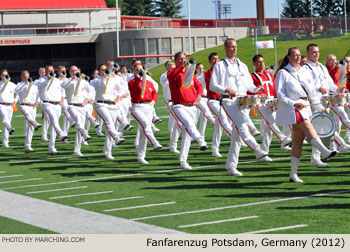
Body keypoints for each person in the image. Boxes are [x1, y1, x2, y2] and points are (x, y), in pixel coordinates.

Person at [275, 47, 337, 183]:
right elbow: (280, 94)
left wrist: (320, 108)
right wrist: (293, 103)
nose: (297, 57)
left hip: (305, 107)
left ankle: (293, 174)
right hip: (292, 109)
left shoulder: (304, 72)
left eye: (299, 55)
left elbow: (312, 94)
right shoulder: (283, 73)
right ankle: (325, 151)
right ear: (289, 57)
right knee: (309, 128)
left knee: (297, 141)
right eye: (294, 55)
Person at [210, 38, 269, 177]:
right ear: (225, 48)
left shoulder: (242, 65)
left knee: (237, 136)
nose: (234, 49)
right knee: (242, 125)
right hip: (228, 101)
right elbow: (213, 85)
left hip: (243, 101)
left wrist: (256, 88)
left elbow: (249, 84)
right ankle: (257, 149)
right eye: (231, 47)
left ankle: (231, 166)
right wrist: (226, 89)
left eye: (235, 46)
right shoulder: (220, 65)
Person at [302, 44, 350, 168]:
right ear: (308, 53)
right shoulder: (305, 68)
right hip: (315, 100)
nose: (316, 54)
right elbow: (306, 84)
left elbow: (329, 83)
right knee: (323, 126)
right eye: (313, 52)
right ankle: (341, 143)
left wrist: (338, 89)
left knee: (320, 128)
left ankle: (316, 158)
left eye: (317, 52)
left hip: (325, 99)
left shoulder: (322, 67)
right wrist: (319, 88)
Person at [168, 52, 208, 170]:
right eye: (180, 59)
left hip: (192, 106)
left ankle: (183, 161)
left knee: (187, 134)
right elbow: (172, 75)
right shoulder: (172, 73)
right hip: (179, 106)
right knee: (189, 124)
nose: (183, 61)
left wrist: (198, 97)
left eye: (184, 59)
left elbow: (199, 86)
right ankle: (201, 140)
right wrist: (181, 67)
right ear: (175, 61)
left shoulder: (189, 73)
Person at [251, 54, 292, 160]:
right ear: (254, 63)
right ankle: (283, 138)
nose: (261, 64)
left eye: (263, 61)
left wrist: (276, 100)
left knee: (268, 129)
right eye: (259, 62)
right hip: (261, 102)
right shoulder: (253, 76)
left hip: (272, 102)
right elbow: (250, 90)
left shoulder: (269, 75)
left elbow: (274, 88)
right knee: (271, 121)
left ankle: (264, 152)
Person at [129, 63, 163, 164]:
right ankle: (154, 142)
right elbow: (134, 90)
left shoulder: (149, 82)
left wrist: (153, 102)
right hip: (137, 106)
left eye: (141, 69)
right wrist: (141, 80)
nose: (139, 71)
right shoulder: (132, 82)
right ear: (134, 72)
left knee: (144, 132)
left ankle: (141, 157)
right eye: (137, 70)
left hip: (148, 106)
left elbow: (154, 94)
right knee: (146, 124)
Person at [90, 64, 125, 160]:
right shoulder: (95, 81)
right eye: (102, 70)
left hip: (112, 104)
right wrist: (105, 77)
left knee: (110, 128)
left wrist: (118, 98)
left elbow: (121, 90)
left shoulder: (113, 80)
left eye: (105, 70)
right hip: (101, 104)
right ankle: (116, 137)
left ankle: (107, 151)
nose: (104, 71)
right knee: (108, 122)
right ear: (98, 71)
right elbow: (100, 88)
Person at [61, 66, 94, 157]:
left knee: (79, 128)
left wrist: (87, 99)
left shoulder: (83, 82)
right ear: (69, 72)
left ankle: (77, 150)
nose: (74, 72)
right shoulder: (67, 81)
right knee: (78, 121)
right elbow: (63, 85)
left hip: (82, 106)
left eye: (76, 70)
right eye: (72, 71)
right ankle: (85, 133)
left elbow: (91, 90)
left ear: (79, 71)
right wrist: (72, 78)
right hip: (71, 106)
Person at [205, 52, 233, 158]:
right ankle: (234, 135)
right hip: (213, 100)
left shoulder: (222, 72)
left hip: (222, 100)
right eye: (213, 59)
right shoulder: (208, 73)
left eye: (217, 59)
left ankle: (214, 149)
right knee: (222, 118)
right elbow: (213, 85)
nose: (216, 61)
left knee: (218, 126)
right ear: (209, 61)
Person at [37, 65, 67, 154]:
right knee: (53, 120)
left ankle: (51, 147)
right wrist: (49, 79)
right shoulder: (42, 81)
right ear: (45, 72)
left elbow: (63, 91)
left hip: (57, 104)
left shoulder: (58, 81)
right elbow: (40, 88)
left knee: (54, 125)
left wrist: (61, 100)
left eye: (52, 70)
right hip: (47, 103)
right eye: (48, 71)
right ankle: (61, 133)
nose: (50, 72)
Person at [15, 71, 41, 151]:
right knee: (28, 117)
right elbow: (16, 91)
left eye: (27, 76)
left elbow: (38, 96)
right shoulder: (19, 85)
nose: (26, 78)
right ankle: (35, 123)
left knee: (31, 127)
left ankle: (28, 144)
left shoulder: (34, 86)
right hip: (23, 105)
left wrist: (37, 101)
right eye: (24, 77)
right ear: (21, 77)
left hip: (32, 106)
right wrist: (25, 83)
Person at [160, 60, 180, 153]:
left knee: (174, 122)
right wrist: (170, 72)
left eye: (172, 66)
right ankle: (173, 145)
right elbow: (164, 82)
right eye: (169, 66)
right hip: (169, 101)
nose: (171, 67)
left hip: (177, 101)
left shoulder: (177, 74)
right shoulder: (164, 75)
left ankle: (173, 144)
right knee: (175, 122)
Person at [195, 63, 215, 140]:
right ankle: (193, 134)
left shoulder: (204, 76)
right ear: (196, 69)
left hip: (205, 98)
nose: (201, 70)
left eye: (202, 68)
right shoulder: (195, 77)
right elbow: (202, 84)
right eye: (199, 68)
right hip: (198, 98)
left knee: (204, 119)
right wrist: (205, 75)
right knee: (195, 117)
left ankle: (201, 135)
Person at [0, 69, 17, 148]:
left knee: (7, 122)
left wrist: (15, 101)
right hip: (1, 104)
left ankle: (5, 142)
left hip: (10, 106)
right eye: (3, 75)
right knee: (5, 119)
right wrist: (5, 83)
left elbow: (19, 93)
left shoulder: (12, 84)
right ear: (0, 76)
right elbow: (1, 91)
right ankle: (10, 128)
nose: (4, 77)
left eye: (5, 75)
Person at [58, 65, 75, 140]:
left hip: (68, 99)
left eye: (64, 70)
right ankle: (71, 120)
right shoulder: (56, 80)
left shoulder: (69, 80)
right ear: (58, 72)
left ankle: (65, 135)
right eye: (61, 71)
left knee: (66, 121)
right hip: (59, 100)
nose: (63, 72)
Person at [34, 67, 49, 141]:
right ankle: (44, 135)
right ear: (39, 72)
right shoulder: (37, 81)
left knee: (47, 117)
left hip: (47, 98)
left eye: (44, 72)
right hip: (40, 99)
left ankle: (44, 135)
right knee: (47, 115)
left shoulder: (48, 79)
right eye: (41, 72)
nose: (43, 73)